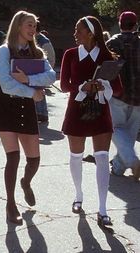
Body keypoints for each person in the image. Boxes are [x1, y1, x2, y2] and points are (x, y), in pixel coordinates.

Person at [0, 10, 56, 225]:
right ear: (18, 26)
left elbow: (51, 75)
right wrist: (32, 92)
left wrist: (28, 78)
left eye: (34, 25)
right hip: (6, 107)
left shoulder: (36, 51)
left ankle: (26, 182)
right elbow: (6, 84)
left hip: (26, 109)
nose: (33, 29)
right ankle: (10, 204)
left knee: (34, 160)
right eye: (29, 25)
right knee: (13, 157)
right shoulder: (4, 50)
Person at [60, 16, 122, 226]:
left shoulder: (106, 55)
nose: (75, 33)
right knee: (76, 156)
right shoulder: (70, 54)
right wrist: (82, 86)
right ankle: (78, 195)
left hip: (100, 111)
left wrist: (104, 85)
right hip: (76, 110)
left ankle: (103, 209)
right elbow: (64, 85)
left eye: (79, 30)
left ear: (91, 33)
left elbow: (119, 88)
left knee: (102, 157)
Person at [106, 11, 140, 181]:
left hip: (118, 94)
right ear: (135, 25)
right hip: (138, 97)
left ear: (120, 24)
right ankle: (118, 168)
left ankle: (132, 161)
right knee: (130, 135)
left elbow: (106, 68)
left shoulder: (112, 42)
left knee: (115, 129)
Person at [35, 23, 56, 123]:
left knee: (39, 91)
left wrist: (46, 73)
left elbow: (50, 58)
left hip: (41, 71)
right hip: (35, 71)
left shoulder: (43, 41)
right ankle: (39, 113)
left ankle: (42, 113)